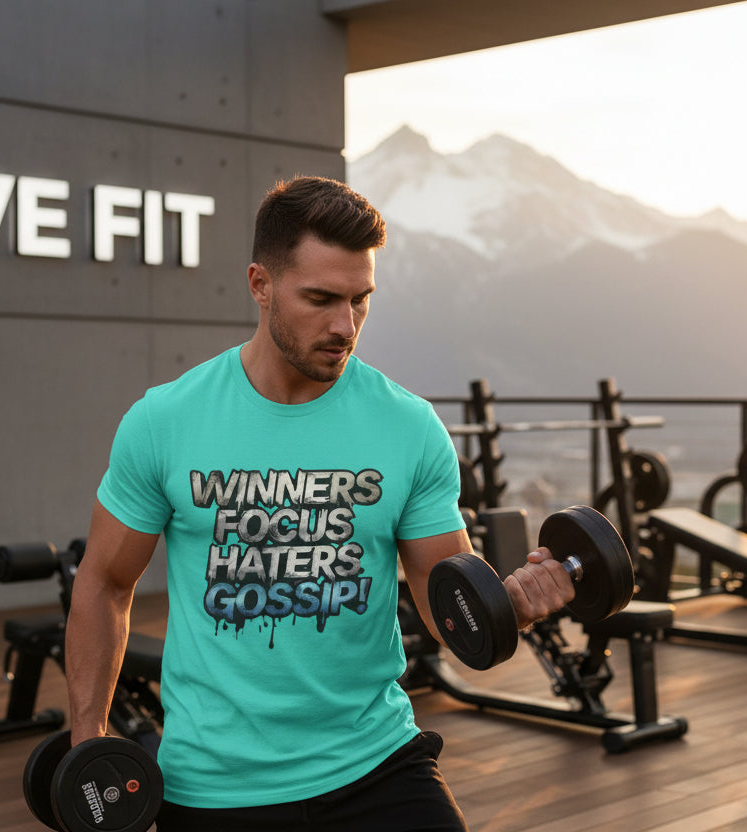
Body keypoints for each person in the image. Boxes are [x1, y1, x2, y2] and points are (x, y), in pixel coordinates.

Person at [64, 175, 575, 831]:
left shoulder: (409, 428)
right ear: (260, 284)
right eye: (322, 299)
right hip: (217, 785)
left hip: (377, 764)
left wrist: (510, 604)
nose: (345, 326)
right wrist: (88, 744)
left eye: (362, 301)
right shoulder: (165, 422)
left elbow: (444, 601)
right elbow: (105, 582)